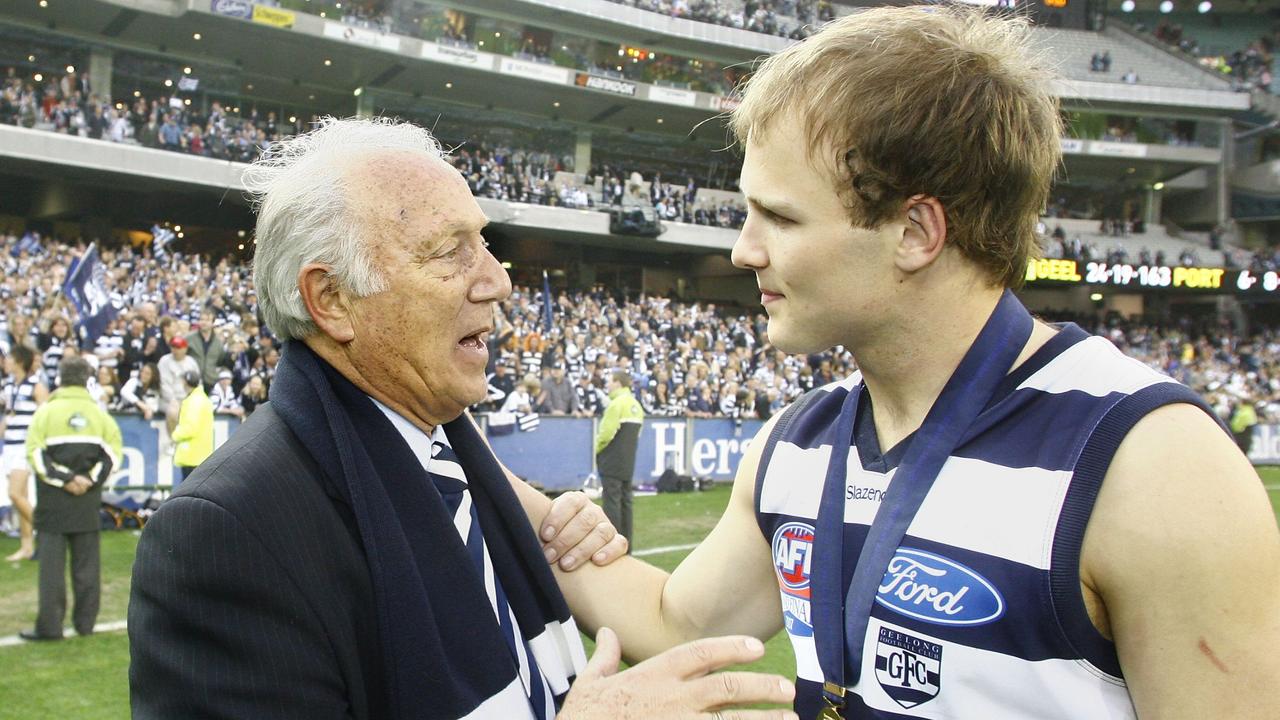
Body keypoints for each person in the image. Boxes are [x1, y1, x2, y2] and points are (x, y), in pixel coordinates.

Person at [531, 7, 1280, 719]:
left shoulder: (1150, 467)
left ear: (917, 231)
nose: (742, 250)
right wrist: (459, 459)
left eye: (781, 217)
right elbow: (676, 622)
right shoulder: (797, 442)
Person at [128, 117, 794, 720]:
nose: (498, 280)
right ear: (331, 300)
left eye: (484, 243)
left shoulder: (450, 452)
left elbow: (673, 617)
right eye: (451, 251)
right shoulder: (227, 533)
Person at [20, 355, 121, 641]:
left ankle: (50, 627)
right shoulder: (100, 414)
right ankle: (85, 624)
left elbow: (35, 454)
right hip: (87, 501)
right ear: (86, 379)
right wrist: (88, 480)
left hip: (53, 501)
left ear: (60, 379)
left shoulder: (46, 413)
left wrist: (65, 479)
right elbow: (113, 453)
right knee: (87, 567)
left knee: (51, 569)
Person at [3, 343, 48, 562]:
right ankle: (27, 546)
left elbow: (45, 415)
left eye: (10, 358)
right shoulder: (9, 385)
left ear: (20, 361)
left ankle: (45, 532)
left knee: (15, 494)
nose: (6, 362)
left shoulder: (35, 385)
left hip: (24, 446)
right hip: (10, 444)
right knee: (22, 497)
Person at [594, 370, 644, 549]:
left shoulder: (616, 404)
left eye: (609, 381)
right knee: (626, 502)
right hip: (628, 460)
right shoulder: (637, 405)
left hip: (611, 459)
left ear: (618, 383)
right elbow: (637, 435)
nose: (607, 385)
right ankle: (627, 545)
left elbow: (605, 435)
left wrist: (597, 450)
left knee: (612, 502)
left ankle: (613, 545)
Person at [171, 369, 213, 481]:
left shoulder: (193, 401)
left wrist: (175, 435)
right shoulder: (203, 399)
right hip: (200, 454)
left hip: (192, 455)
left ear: (185, 382)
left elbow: (190, 428)